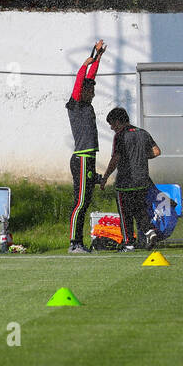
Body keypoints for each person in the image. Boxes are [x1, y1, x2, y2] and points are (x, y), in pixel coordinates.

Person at [100, 108, 161, 251]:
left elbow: (115, 158)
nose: (111, 128)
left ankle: (128, 243)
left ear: (117, 122)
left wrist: (106, 176)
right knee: (140, 210)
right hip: (142, 182)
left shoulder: (120, 136)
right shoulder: (143, 133)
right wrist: (140, 157)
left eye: (112, 124)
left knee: (125, 213)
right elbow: (157, 152)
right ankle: (150, 231)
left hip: (125, 183)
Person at [66, 40, 104, 253]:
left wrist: (98, 57)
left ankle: (79, 242)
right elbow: (82, 81)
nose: (94, 93)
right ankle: (74, 244)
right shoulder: (76, 104)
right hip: (80, 158)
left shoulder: (87, 105)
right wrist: (84, 64)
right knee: (80, 203)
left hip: (89, 158)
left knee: (86, 201)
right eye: (90, 91)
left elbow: (91, 78)